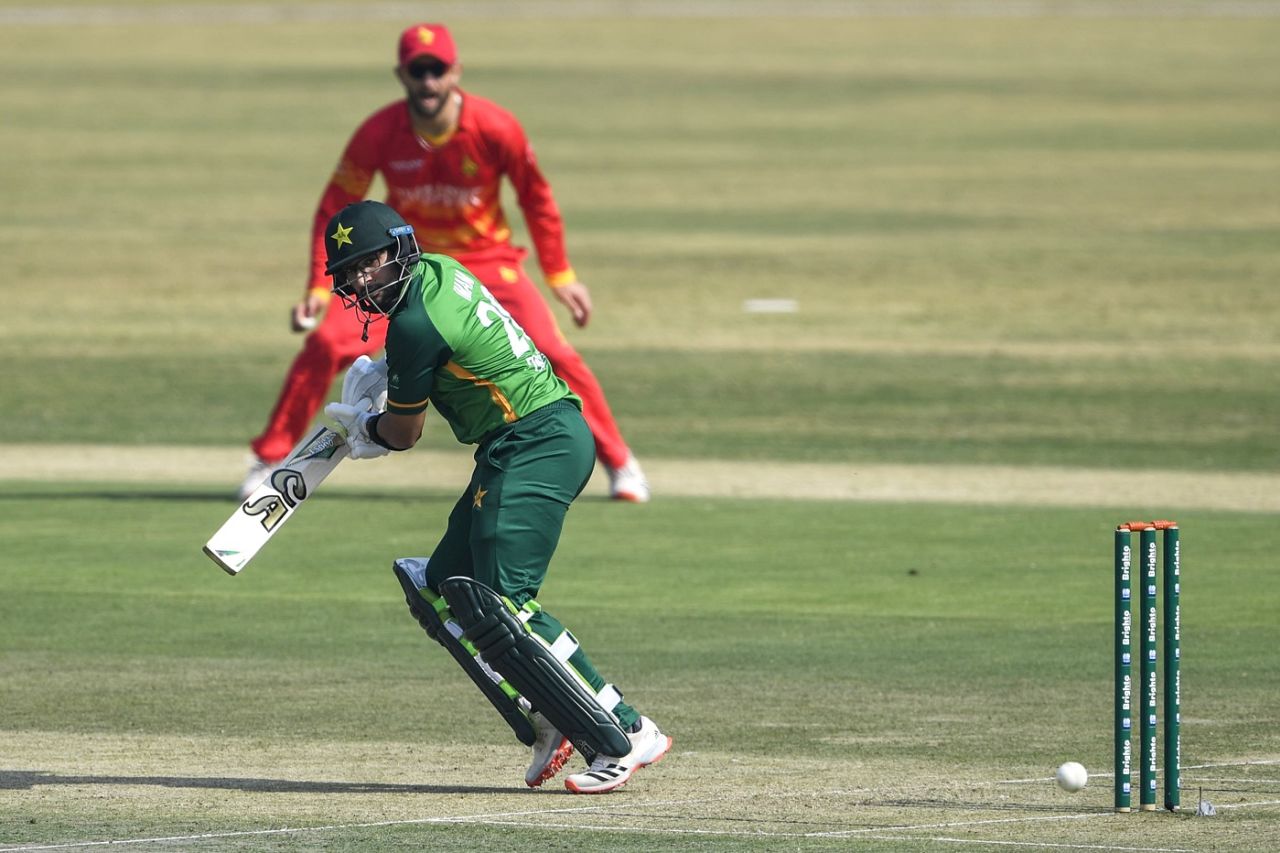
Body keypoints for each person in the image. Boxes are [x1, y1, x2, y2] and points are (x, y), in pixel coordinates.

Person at [319, 199, 671, 793]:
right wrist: (390, 373)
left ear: (399, 248)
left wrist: (366, 431)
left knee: (504, 601)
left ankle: (628, 733)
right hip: (524, 441)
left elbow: (404, 433)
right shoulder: (442, 271)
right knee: (439, 585)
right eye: (350, 271)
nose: (361, 279)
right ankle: (549, 716)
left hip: (538, 441)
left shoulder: (411, 324)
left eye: (370, 263)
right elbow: (448, 350)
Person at [241, 22, 649, 503]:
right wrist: (315, 285)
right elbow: (336, 204)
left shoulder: (495, 127)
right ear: (402, 75)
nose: (428, 82)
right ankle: (270, 459)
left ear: (455, 72)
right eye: (418, 71)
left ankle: (621, 463)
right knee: (328, 341)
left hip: (489, 262)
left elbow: (536, 197)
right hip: (403, 271)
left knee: (555, 353)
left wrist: (560, 274)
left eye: (437, 70)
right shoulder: (379, 131)